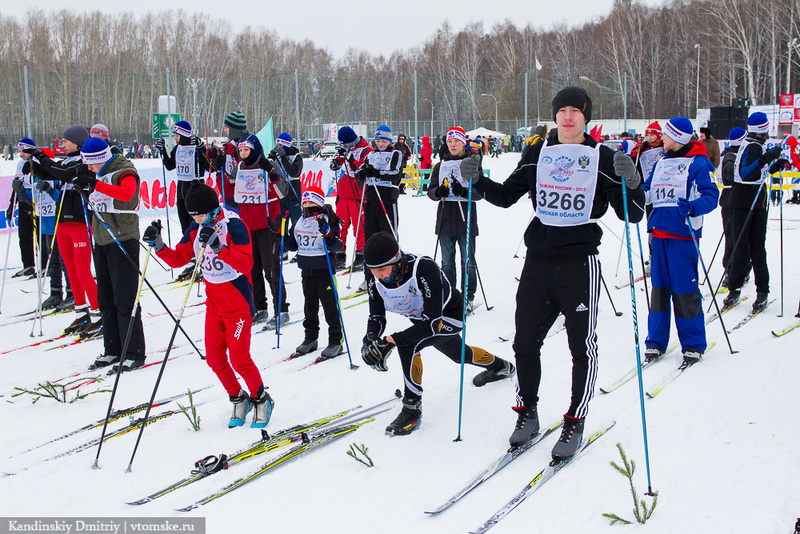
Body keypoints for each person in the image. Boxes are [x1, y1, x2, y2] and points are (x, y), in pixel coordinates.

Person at [470, 86, 645, 460]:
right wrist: (478, 180)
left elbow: (631, 214)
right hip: (538, 261)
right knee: (524, 342)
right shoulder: (538, 152)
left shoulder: (604, 156)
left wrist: (631, 183)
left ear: (586, 117)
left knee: (581, 347)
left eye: (575, 111)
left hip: (579, 262)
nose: (568, 116)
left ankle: (574, 420)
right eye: (562, 110)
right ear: (555, 116)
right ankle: (526, 413)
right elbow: (505, 196)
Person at [143, 180, 274, 428]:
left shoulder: (234, 225)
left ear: (213, 209)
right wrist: (158, 245)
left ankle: (261, 399)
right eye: (194, 216)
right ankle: (238, 397)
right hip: (214, 305)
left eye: (201, 215)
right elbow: (179, 258)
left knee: (239, 359)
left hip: (238, 305)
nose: (198, 220)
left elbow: (247, 264)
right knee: (214, 359)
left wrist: (218, 246)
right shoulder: (195, 227)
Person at [360, 231, 515, 436]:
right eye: (373, 270)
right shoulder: (374, 277)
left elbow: (433, 323)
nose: (377, 275)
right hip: (422, 322)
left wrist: (391, 341)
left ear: (397, 261)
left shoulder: (423, 269)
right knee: (460, 356)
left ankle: (412, 409)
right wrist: (369, 339)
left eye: (382, 269)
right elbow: (376, 315)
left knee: (408, 344)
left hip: (447, 318)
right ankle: (501, 367)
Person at [624, 117, 719, 366]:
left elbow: (711, 196)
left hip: (683, 236)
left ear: (677, 138)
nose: (661, 138)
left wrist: (692, 207)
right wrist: (631, 190)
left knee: (685, 291)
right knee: (659, 291)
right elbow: (647, 191)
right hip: (659, 234)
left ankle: (693, 344)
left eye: (665, 135)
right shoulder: (661, 163)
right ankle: (655, 341)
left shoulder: (698, 164)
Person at [78, 138, 147, 372]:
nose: (88, 168)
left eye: (91, 164)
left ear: (100, 159)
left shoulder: (124, 170)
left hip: (122, 239)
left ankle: (134, 352)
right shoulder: (98, 173)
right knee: (105, 300)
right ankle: (113, 350)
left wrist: (95, 186)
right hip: (102, 240)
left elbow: (127, 195)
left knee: (125, 299)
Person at [26, 125, 101, 334]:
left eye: (66, 140)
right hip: (63, 223)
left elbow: (65, 174)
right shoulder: (67, 161)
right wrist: (35, 166)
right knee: (72, 270)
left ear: (78, 143)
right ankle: (81, 312)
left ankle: (98, 311)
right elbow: (54, 172)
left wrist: (42, 157)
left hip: (79, 222)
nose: (63, 143)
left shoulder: (84, 162)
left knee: (83, 270)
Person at [723, 112, 783, 312]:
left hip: (756, 202)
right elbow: (745, 173)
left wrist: (774, 166)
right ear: (763, 129)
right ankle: (734, 288)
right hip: (743, 202)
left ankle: (762, 291)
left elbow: (758, 171)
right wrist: (767, 158)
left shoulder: (754, 145)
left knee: (757, 248)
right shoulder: (753, 146)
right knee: (742, 247)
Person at [229, 134, 289, 327]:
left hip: (268, 223)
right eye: (241, 151)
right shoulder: (240, 167)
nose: (244, 154)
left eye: (246, 150)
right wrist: (219, 163)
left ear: (254, 149)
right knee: (251, 268)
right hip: (247, 224)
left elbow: (283, 191)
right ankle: (260, 307)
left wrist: (271, 172)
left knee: (271, 269)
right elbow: (230, 187)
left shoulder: (267, 163)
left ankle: (281, 310)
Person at [285, 186, 344, 360]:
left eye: (311, 202)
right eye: (305, 202)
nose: (307, 205)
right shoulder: (300, 221)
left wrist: (327, 234)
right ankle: (310, 338)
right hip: (306, 270)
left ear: (318, 202)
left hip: (324, 270)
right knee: (309, 307)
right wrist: (278, 232)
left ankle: (335, 340)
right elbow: (293, 245)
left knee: (330, 307)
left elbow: (336, 245)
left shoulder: (328, 219)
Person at [427, 126, 481, 314]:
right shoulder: (440, 166)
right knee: (447, 262)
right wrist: (438, 192)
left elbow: (480, 193)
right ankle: (450, 296)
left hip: (466, 219)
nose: (452, 145)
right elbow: (431, 191)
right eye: (449, 141)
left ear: (463, 142)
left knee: (468, 261)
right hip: (445, 220)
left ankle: (468, 297)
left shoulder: (472, 162)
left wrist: (464, 192)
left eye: (456, 141)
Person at [155, 120, 211, 281]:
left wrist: (201, 148)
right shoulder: (178, 148)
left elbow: (208, 166)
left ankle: (203, 256)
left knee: (197, 226)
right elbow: (170, 166)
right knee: (185, 227)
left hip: (195, 190)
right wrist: (163, 151)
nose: (175, 137)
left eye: (176, 135)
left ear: (183, 134)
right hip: (181, 191)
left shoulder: (194, 145)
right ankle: (192, 257)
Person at [330, 126, 369, 270]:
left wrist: (350, 158)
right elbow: (341, 158)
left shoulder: (366, 150)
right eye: (342, 144)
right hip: (344, 190)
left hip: (357, 192)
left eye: (346, 143)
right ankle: (339, 256)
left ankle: (360, 256)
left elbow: (361, 169)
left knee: (359, 226)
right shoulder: (347, 149)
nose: (345, 146)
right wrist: (337, 162)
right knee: (340, 225)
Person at [358, 125, 403, 242]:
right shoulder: (371, 155)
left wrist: (377, 173)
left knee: (388, 232)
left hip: (387, 196)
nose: (381, 144)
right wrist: (364, 172)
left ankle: (392, 256)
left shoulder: (395, 154)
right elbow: (359, 171)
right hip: (371, 198)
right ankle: (371, 258)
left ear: (389, 141)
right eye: (378, 141)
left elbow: (396, 174)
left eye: (384, 141)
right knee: (370, 232)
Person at [719, 127, 748, 285]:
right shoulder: (730, 155)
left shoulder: (737, 153)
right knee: (732, 238)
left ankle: (743, 268)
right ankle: (731, 270)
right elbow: (727, 175)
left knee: (743, 237)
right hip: (731, 200)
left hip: (739, 200)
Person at [8, 138, 38, 279]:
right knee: (24, 235)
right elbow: (16, 184)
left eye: (23, 151)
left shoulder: (37, 162)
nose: (21, 154)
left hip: (35, 200)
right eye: (20, 151)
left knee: (39, 235)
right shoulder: (20, 164)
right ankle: (28, 265)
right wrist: (11, 205)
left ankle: (46, 265)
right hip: (22, 200)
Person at [211, 111, 248, 212]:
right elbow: (223, 168)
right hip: (229, 196)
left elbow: (252, 164)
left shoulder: (250, 142)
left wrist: (236, 154)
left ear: (234, 129)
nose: (225, 130)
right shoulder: (229, 143)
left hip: (246, 196)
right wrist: (216, 159)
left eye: (226, 127)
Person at [269, 132, 304, 233]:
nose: (278, 147)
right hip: (281, 194)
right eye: (277, 145)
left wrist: (283, 157)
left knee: (296, 224)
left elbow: (294, 173)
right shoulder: (277, 156)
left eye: (281, 145)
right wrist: (271, 159)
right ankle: (282, 246)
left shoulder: (296, 156)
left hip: (293, 194)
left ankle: (297, 245)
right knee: (281, 225)